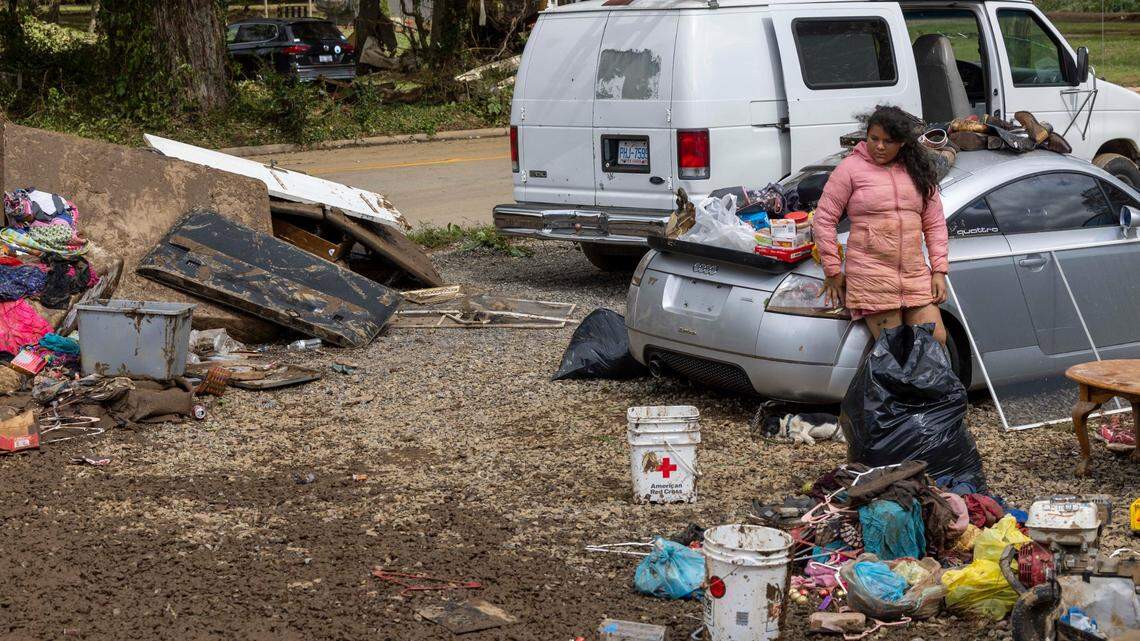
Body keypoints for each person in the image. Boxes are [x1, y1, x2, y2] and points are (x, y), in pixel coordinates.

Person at [812, 105, 949, 345]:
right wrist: (832, 271)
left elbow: (935, 223)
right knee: (893, 350)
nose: (880, 146)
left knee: (935, 339)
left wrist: (939, 270)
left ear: (903, 143)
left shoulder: (917, 170)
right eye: (874, 138)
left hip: (914, 275)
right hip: (871, 277)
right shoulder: (850, 169)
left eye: (889, 141)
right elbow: (823, 219)